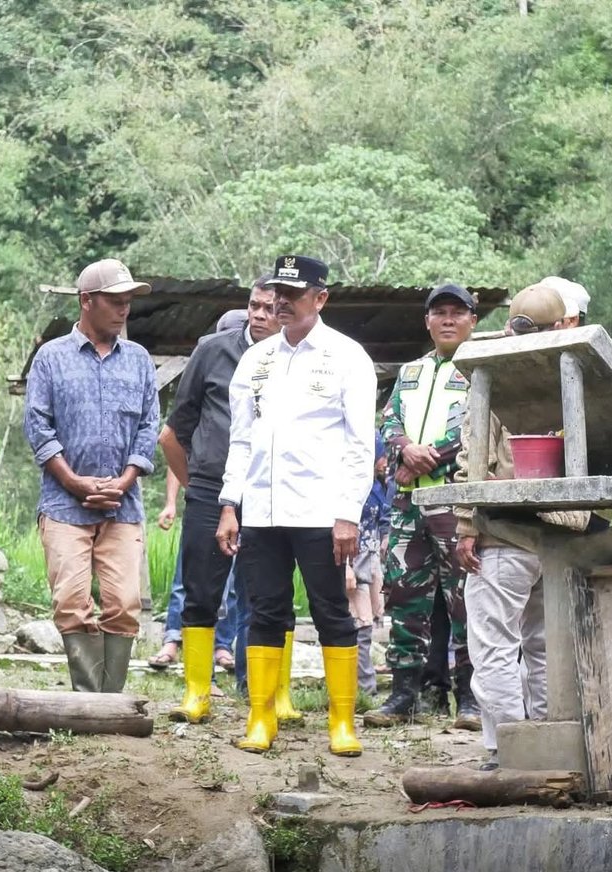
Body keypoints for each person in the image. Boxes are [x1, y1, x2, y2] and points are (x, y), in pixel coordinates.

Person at [218, 254, 375, 756]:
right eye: (277, 293)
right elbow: (240, 440)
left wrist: (348, 512)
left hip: (321, 512)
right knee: (265, 611)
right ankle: (261, 716)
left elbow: (359, 445)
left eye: (294, 295)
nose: (282, 303)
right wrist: (229, 504)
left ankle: (342, 720)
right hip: (261, 512)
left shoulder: (347, 356)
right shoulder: (256, 360)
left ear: (320, 298)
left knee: (331, 610)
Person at [451, 283, 589, 770]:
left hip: (505, 532)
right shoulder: (581, 372)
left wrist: (467, 523)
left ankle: (508, 748)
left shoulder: (494, 372)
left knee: (493, 646)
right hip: (562, 534)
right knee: (546, 645)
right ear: (562, 326)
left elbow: (473, 455)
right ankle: (552, 745)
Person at [24, 259, 159, 693]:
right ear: (87, 301)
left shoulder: (139, 360)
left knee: (124, 602)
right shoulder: (51, 358)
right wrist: (74, 482)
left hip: (123, 503)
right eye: (115, 302)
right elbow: (39, 427)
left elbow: (149, 426)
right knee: (70, 601)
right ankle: (87, 697)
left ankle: (110, 697)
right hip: (65, 503)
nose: (124, 310)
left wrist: (124, 480)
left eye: (127, 303)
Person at [161, 287, 281, 721]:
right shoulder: (212, 352)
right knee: (200, 590)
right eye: (254, 306)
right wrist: (197, 485)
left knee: (271, 596)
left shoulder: (299, 358)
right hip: (212, 489)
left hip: (273, 491)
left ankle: (271, 695)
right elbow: (174, 430)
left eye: (271, 309)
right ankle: (197, 691)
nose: (260, 315)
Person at [366, 283, 481, 731]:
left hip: (455, 499)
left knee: (464, 599)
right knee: (405, 596)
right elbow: (389, 418)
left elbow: (481, 424)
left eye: (457, 312)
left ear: (473, 320)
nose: (448, 320)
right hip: (407, 502)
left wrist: (428, 454)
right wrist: (404, 448)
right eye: (440, 313)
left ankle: (470, 697)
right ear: (427, 321)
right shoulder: (411, 371)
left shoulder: (481, 369)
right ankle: (404, 694)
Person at [350, 436, 395, 696]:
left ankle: (365, 688)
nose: (384, 461)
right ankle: (365, 690)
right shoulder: (355, 488)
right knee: (360, 625)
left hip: (370, 563)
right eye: (380, 455)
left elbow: (383, 520)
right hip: (353, 563)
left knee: (368, 624)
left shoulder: (378, 487)